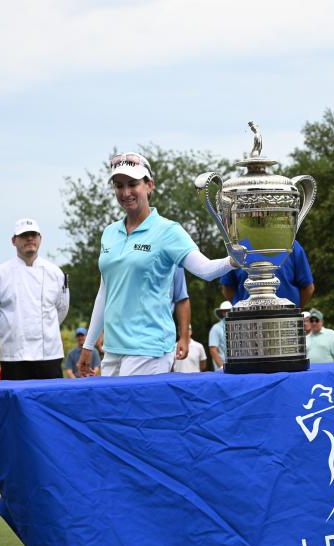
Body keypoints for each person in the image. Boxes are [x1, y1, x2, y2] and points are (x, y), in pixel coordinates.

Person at [77, 151, 234, 377]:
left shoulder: (168, 231)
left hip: (150, 349)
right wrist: (88, 345)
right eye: (119, 186)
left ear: (149, 185)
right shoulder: (110, 233)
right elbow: (104, 293)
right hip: (113, 349)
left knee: (135, 412)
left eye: (133, 184)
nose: (125, 192)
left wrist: (234, 260)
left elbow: (205, 270)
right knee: (114, 413)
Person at [0, 218, 69, 380]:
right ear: (14, 240)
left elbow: (62, 308)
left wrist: (47, 328)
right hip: (13, 355)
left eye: (33, 235)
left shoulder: (55, 273)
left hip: (49, 354)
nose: (29, 239)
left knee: (49, 402)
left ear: (40, 238)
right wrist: (10, 331)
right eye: (24, 235)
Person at [220, 240, 315, 308]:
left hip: (285, 320)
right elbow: (227, 288)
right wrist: (242, 309)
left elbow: (308, 288)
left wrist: (293, 312)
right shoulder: (238, 248)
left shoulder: (292, 245)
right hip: (248, 322)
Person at [208, 300, 232, 371]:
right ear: (222, 313)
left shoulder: (237, 327)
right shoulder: (216, 328)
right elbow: (213, 350)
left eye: (230, 310)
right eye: (225, 311)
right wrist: (222, 367)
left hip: (236, 368)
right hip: (222, 370)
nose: (228, 312)